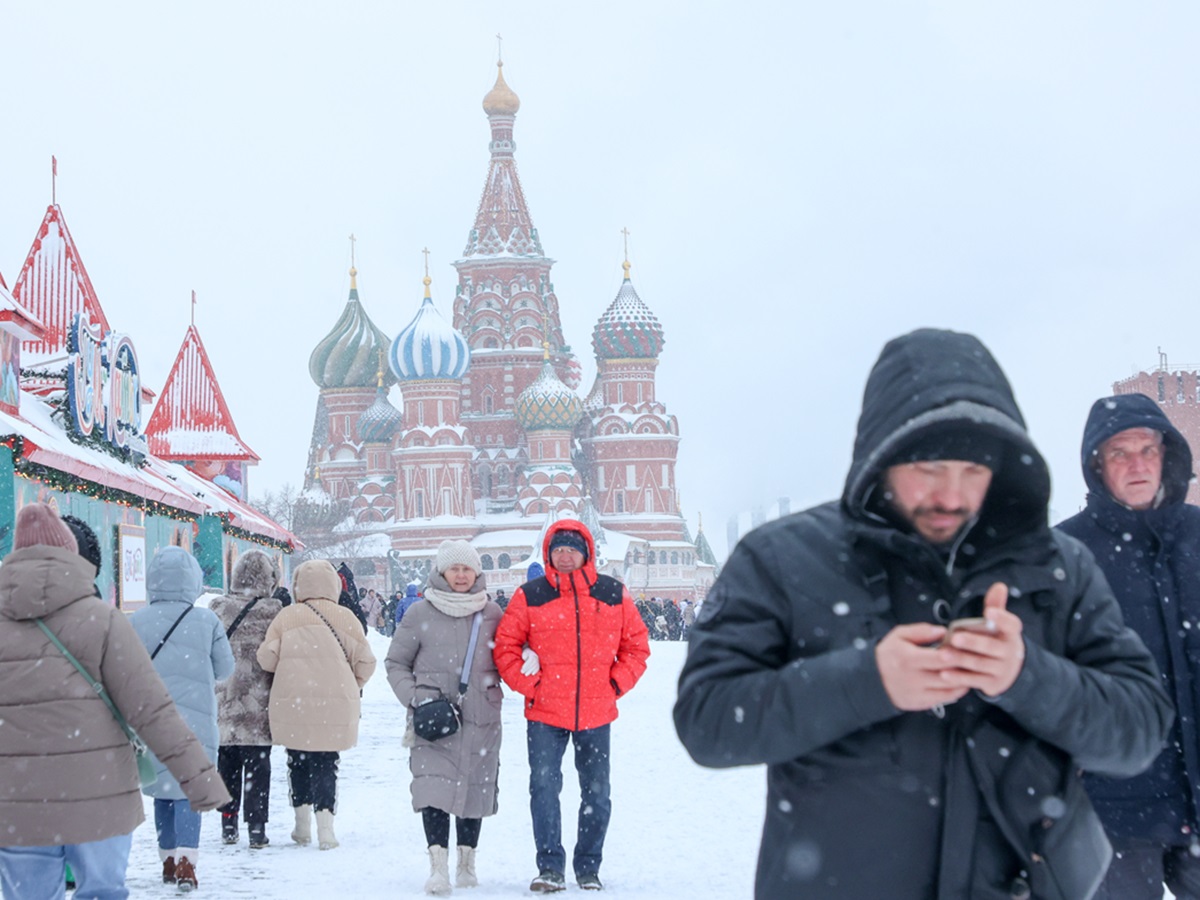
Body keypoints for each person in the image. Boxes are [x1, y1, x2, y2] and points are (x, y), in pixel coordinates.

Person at [673, 328, 1174, 900]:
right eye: (929, 470)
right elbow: (707, 720)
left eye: (973, 471)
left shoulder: (1059, 567)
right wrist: (867, 681)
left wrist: (1026, 676)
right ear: (882, 455)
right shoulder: (782, 560)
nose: (952, 497)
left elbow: (1139, 728)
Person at [0, 504, 230, 899]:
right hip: (101, 796)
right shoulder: (104, 621)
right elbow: (152, 710)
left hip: (16, 803)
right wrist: (200, 778)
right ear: (73, 556)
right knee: (103, 892)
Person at [1057, 393, 1200, 900]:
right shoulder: (1065, 555)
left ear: (1167, 455)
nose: (1137, 464)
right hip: (1113, 807)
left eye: (1147, 449)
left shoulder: (1198, 535)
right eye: (1120, 452)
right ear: (1098, 465)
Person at [494, 520, 650, 893]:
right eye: (558, 550)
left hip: (596, 711)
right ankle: (549, 866)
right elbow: (505, 647)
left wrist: (613, 684)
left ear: (586, 553)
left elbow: (637, 646)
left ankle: (588, 866)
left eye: (571, 550)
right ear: (549, 554)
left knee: (596, 792)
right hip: (546, 711)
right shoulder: (530, 595)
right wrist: (531, 685)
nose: (564, 556)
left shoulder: (612, 593)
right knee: (544, 788)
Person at [386, 540, 504, 895]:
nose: (461, 575)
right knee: (433, 789)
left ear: (477, 572)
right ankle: (438, 868)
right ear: (440, 572)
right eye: (454, 568)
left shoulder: (493, 613)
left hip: (481, 717)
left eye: (467, 569)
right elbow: (395, 663)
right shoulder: (420, 613)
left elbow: (509, 658)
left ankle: (467, 865)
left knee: (475, 789)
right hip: (434, 719)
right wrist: (417, 699)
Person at [130, 545, 235, 890]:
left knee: (163, 790)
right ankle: (188, 865)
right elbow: (225, 670)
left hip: (153, 721)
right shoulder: (207, 620)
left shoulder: (137, 620)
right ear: (192, 580)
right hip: (197, 723)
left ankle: (168, 861)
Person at [257, 559, 376, 851]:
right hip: (334, 703)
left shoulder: (286, 617)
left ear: (299, 586)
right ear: (334, 585)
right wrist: (350, 684)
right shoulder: (346, 617)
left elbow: (266, 659)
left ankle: (301, 826)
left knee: (297, 761)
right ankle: (326, 829)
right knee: (326, 762)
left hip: (293, 702)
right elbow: (366, 662)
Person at [210, 549, 283, 850]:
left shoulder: (219, 607)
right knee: (258, 766)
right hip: (257, 703)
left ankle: (228, 823)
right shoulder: (274, 611)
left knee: (226, 764)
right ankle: (256, 828)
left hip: (226, 701)